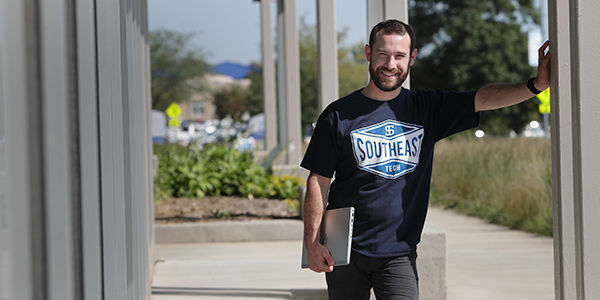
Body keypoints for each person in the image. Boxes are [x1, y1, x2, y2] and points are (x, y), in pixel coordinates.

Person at [300, 19, 551, 300]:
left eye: (399, 56)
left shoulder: (426, 108)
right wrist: (312, 242)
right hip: (344, 250)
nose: (390, 64)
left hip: (399, 252)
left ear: (412, 58)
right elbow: (318, 180)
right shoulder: (338, 114)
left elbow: (482, 98)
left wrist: (535, 85)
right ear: (369, 53)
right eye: (382, 54)